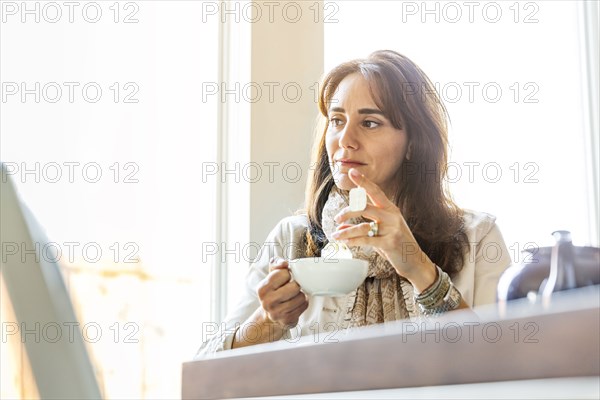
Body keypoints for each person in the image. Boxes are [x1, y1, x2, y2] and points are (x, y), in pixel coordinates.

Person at [196, 50, 511, 356]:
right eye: (336, 120)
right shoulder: (291, 239)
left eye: (370, 122)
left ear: (413, 143)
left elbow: (505, 365)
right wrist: (267, 321)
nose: (344, 140)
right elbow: (204, 372)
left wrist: (419, 268)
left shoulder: (477, 236)